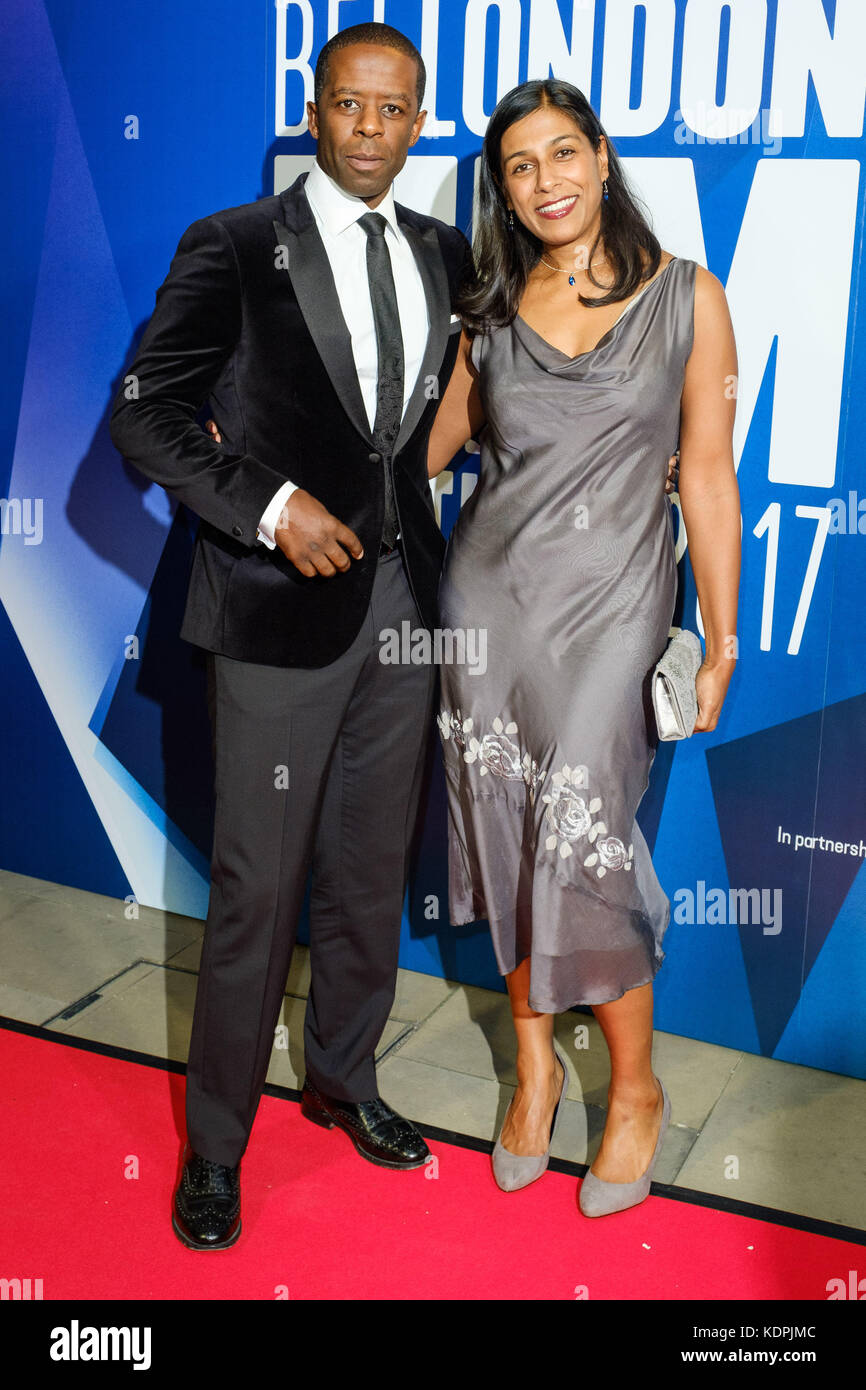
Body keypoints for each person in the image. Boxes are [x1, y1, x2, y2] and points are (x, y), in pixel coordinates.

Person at [109, 22, 474, 1250]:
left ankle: (343, 1078)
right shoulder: (231, 244)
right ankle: (215, 1146)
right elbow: (146, 416)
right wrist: (267, 507)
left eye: (395, 110)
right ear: (313, 111)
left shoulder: (441, 252)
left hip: (404, 613)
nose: (370, 131)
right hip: (274, 616)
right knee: (259, 892)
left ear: (421, 120)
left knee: (369, 874)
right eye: (349, 107)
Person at [426, 79, 739, 1216]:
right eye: (520, 165)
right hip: (486, 611)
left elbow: (705, 473)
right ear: (501, 192)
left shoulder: (689, 299)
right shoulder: (491, 309)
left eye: (564, 153)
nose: (546, 179)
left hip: (611, 613)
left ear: (601, 161)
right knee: (506, 842)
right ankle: (535, 1068)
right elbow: (421, 456)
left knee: (584, 845)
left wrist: (718, 637)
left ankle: (637, 1090)